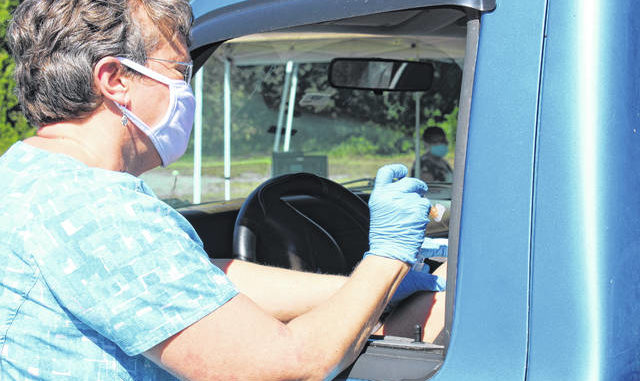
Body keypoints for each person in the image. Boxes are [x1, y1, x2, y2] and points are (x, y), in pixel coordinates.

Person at [0, 1, 444, 379]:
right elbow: (288, 366)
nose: (184, 89)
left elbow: (194, 278)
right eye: (178, 70)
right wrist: (388, 257)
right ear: (115, 79)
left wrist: (370, 290)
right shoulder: (100, 208)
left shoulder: (25, 174)